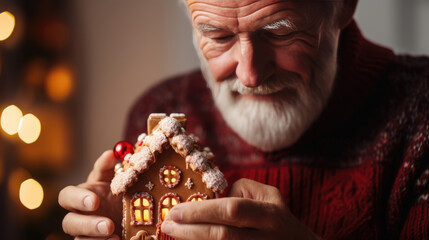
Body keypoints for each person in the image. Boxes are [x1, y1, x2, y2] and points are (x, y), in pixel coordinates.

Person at [59, 0, 429, 239]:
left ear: (342, 8)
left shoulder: (419, 115)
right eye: (218, 35)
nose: (250, 75)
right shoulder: (159, 112)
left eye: (279, 32)